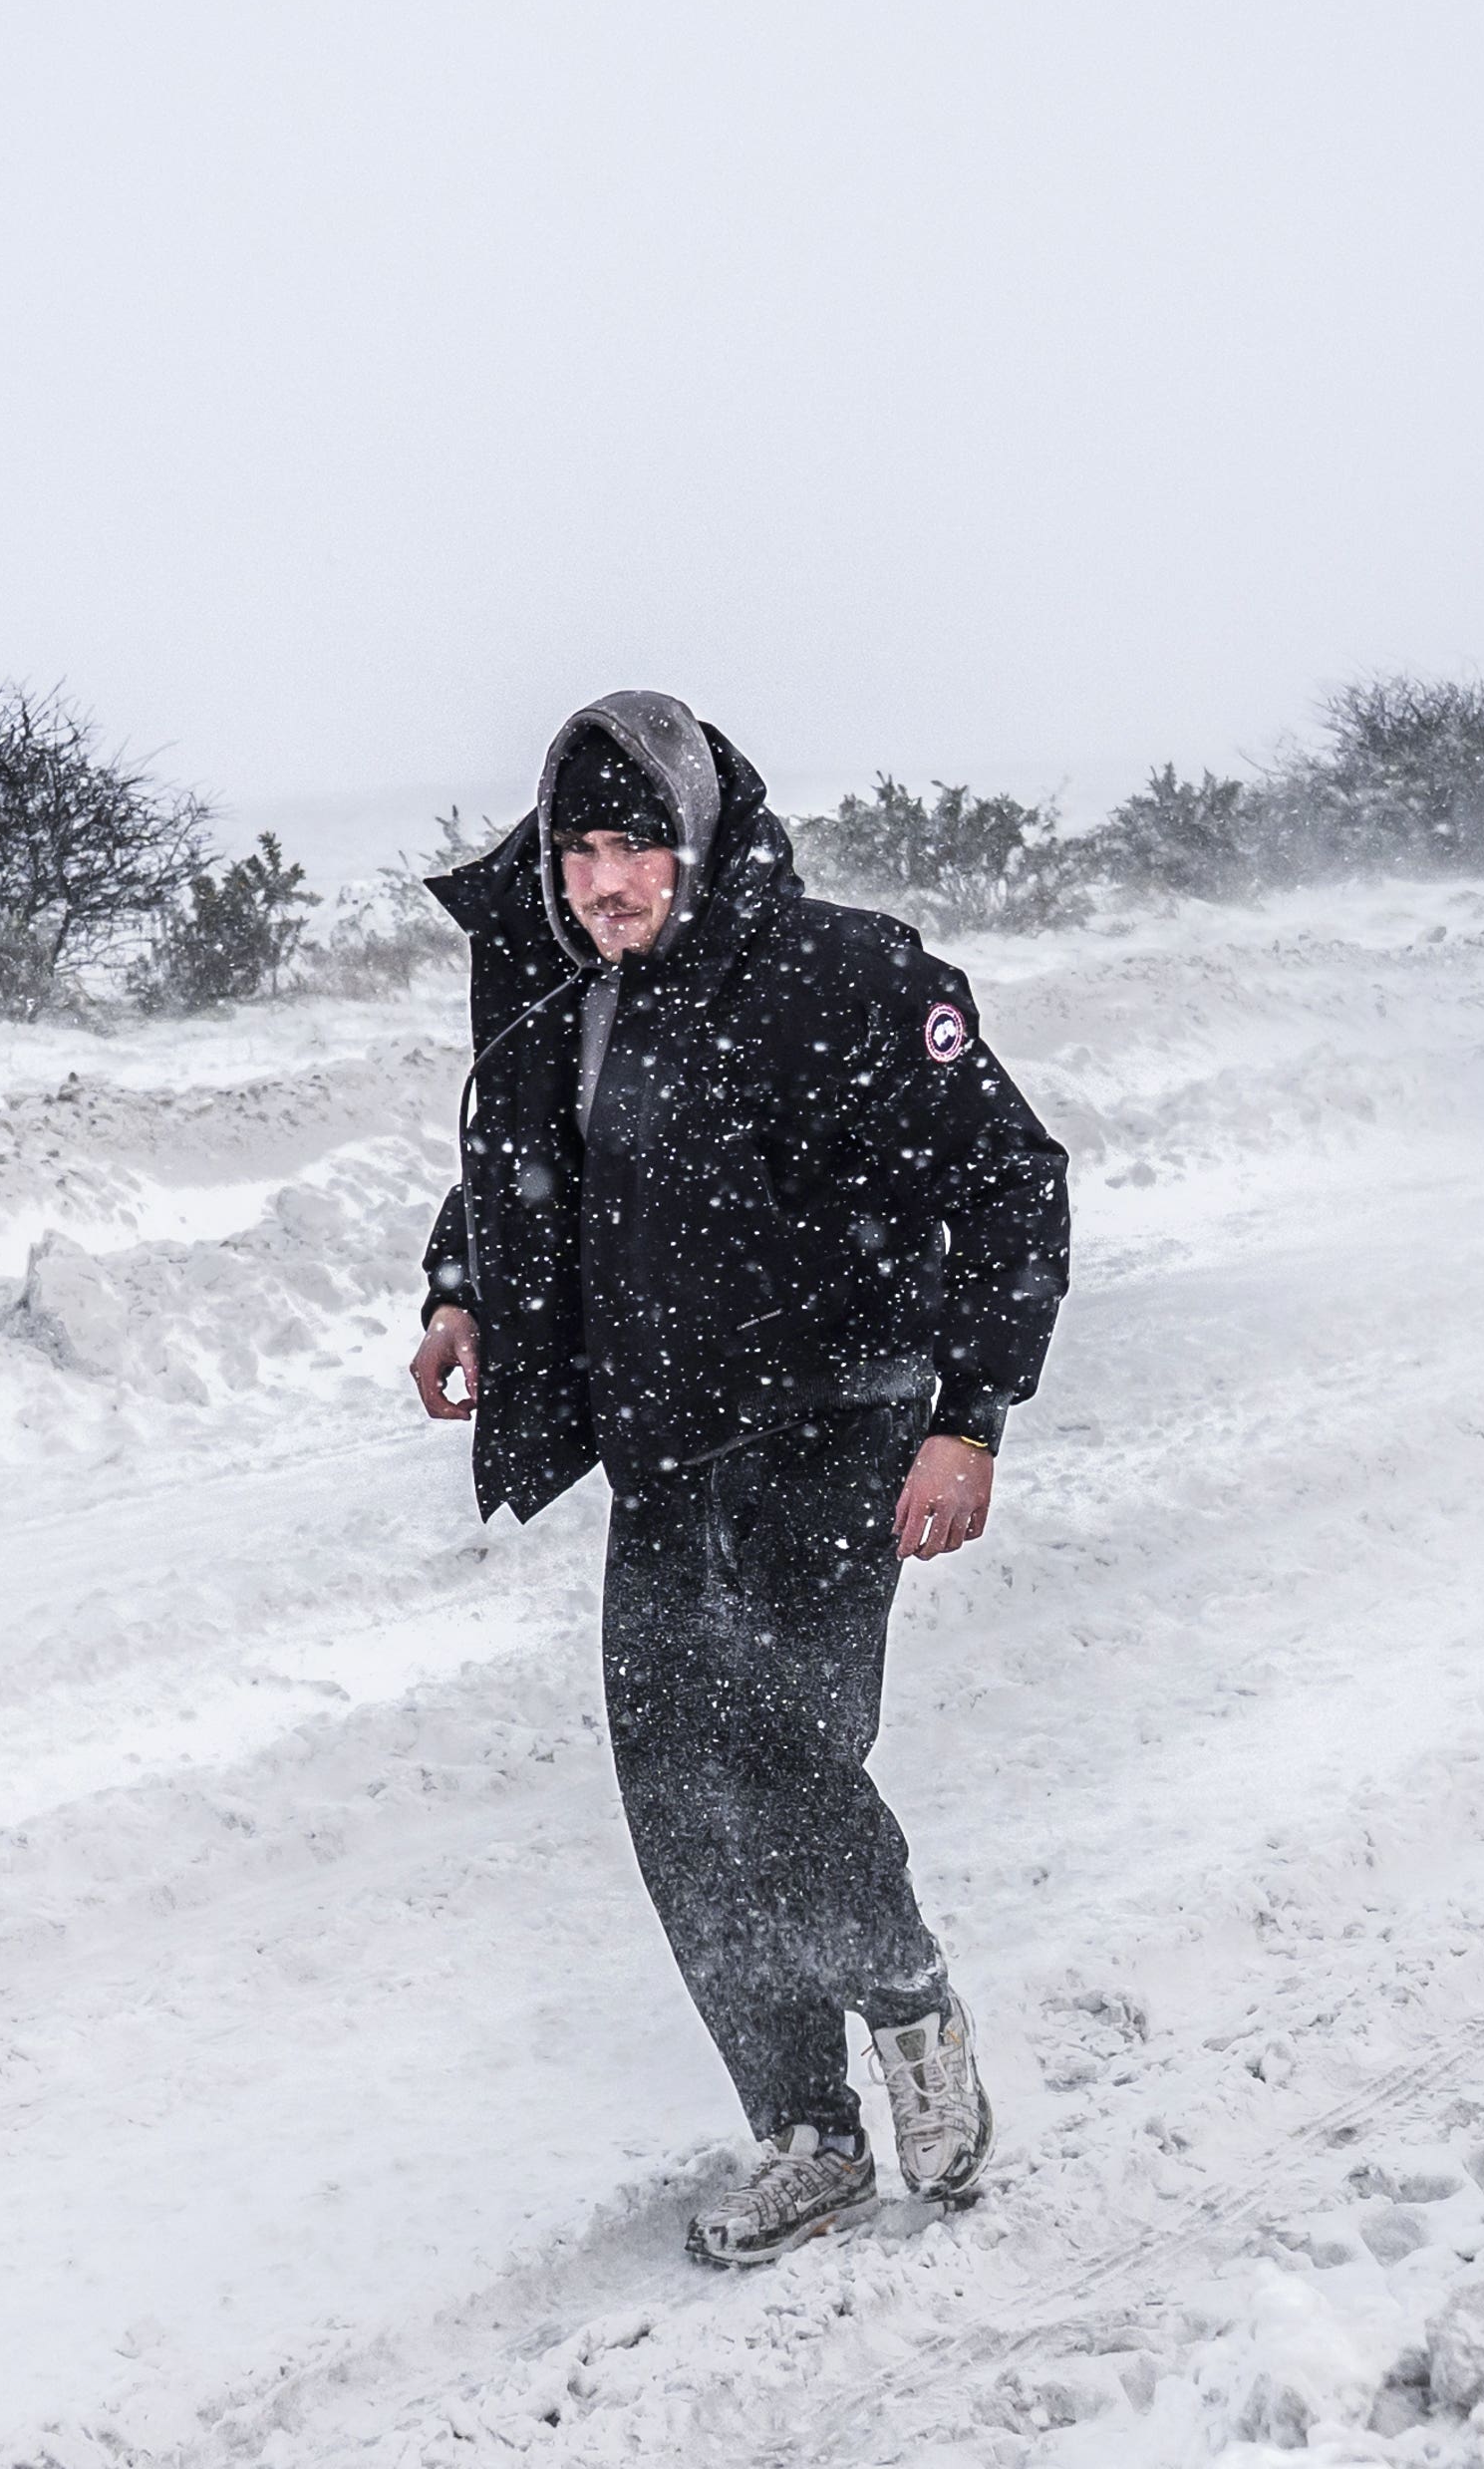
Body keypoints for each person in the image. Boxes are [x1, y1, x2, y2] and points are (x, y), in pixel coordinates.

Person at [408, 690, 1071, 2268]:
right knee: (679, 1806)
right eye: (576, 852)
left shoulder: (847, 982)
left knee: (776, 1762)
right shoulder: (575, 997)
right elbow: (519, 1164)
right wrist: (463, 1291)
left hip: (833, 1433)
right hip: (664, 1453)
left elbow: (1011, 1183)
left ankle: (904, 2001)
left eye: (632, 843)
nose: (600, 882)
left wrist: (970, 1419)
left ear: (699, 838)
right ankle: (806, 2128)